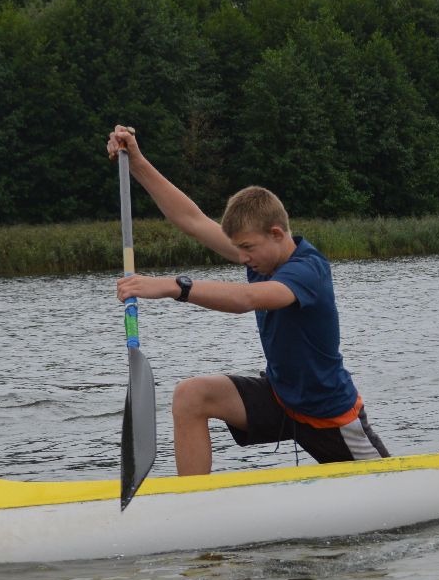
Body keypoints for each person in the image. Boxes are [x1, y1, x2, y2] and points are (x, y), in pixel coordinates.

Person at [107, 123, 388, 476]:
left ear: (276, 234)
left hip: (330, 415)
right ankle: (192, 506)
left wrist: (172, 286)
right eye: (238, 248)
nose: (242, 258)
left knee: (398, 487)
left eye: (247, 248)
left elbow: (249, 298)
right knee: (191, 396)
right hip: (281, 399)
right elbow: (191, 220)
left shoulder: (308, 271)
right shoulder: (259, 253)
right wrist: (137, 162)